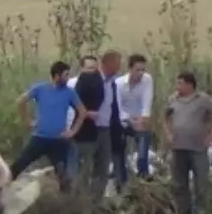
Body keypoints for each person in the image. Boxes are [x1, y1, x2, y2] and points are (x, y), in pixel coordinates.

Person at [162, 71, 212, 214]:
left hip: (197, 148)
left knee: (201, 183)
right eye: (176, 83)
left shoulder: (202, 99)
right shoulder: (173, 100)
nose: (177, 86)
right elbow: (164, 117)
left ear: (189, 85)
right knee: (179, 185)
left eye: (180, 83)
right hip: (178, 148)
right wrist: (168, 134)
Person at [10, 61, 87, 189]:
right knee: (18, 165)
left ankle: (66, 203)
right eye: (66, 75)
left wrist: (73, 131)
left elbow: (82, 112)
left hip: (58, 140)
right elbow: (20, 102)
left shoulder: (69, 92)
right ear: (56, 76)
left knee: (63, 175)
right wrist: (27, 121)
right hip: (39, 138)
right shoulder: (40, 88)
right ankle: (0, 190)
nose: (68, 78)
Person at [67, 55, 106, 192]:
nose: (92, 72)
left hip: (90, 134)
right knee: (71, 169)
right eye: (89, 68)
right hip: (70, 132)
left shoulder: (99, 84)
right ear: (81, 68)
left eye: (95, 68)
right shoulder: (70, 85)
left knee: (86, 170)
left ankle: (83, 199)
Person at [117, 54, 155, 179]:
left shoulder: (147, 80)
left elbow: (147, 100)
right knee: (119, 148)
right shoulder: (119, 84)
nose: (140, 73)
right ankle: (121, 178)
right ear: (130, 69)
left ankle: (143, 174)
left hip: (139, 120)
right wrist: (129, 120)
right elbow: (118, 106)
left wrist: (143, 118)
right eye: (137, 70)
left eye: (143, 70)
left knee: (143, 140)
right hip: (123, 120)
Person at [97, 50, 125, 194]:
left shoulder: (111, 83)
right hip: (93, 130)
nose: (119, 68)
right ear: (108, 64)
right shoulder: (95, 81)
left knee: (103, 166)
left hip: (107, 129)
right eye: (117, 64)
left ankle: (98, 198)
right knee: (91, 166)